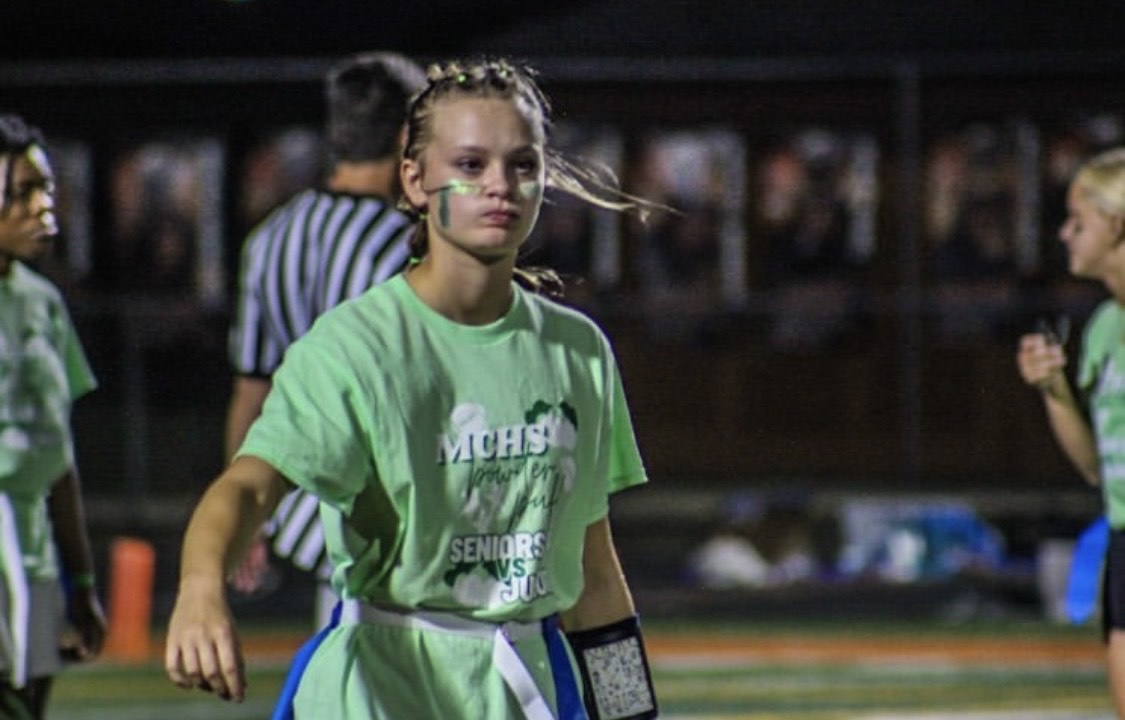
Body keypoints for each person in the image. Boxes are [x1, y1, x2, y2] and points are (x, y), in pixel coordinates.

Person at [165, 57, 659, 719]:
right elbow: (248, 485)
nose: (500, 187)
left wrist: (631, 711)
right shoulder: (354, 345)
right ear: (415, 178)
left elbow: (593, 571)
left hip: (526, 686)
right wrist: (200, 587)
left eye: (522, 164)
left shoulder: (576, 352)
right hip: (383, 687)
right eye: (469, 165)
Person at [224, 51, 426, 626]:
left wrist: (245, 514)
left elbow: (251, 390)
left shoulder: (271, 238)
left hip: (308, 501)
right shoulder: (406, 245)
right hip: (394, 510)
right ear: (407, 134)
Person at [0, 114, 106, 719]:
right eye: (22, 192)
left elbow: (57, 453)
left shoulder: (43, 302)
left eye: (45, 188)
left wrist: (82, 584)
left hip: (34, 558)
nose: (44, 206)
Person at [1016, 147, 1125, 717]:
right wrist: (1055, 391)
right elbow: (1095, 470)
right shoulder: (1107, 327)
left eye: (1077, 222)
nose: (1063, 234)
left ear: (1117, 224)